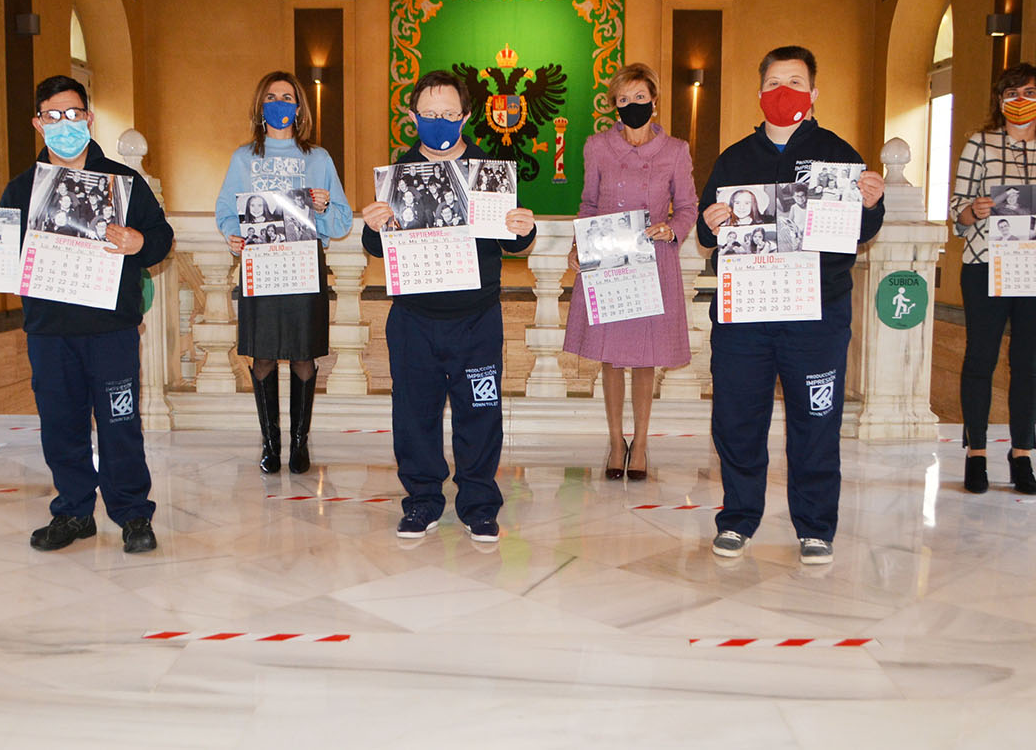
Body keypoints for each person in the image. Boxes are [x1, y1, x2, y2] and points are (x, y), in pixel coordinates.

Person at [0, 75, 172, 553]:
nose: (64, 124)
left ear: (89, 118)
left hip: (110, 329)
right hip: (49, 331)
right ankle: (73, 512)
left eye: (73, 114)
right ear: (38, 123)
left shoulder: (123, 182)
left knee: (120, 423)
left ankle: (132, 514)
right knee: (61, 425)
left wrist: (139, 242)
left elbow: (161, 237)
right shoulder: (21, 188)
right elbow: (0, 260)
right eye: (53, 115)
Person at [696, 45, 885, 565]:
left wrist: (871, 204)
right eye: (776, 82)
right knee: (736, 419)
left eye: (797, 82)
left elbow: (859, 233)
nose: (786, 92)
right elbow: (704, 231)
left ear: (814, 92)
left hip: (817, 317)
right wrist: (709, 222)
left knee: (816, 420)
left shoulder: (840, 156)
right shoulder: (734, 158)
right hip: (746, 317)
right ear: (760, 93)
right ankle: (738, 518)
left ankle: (816, 526)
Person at [361, 69, 536, 543]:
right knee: (413, 414)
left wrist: (525, 228)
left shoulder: (489, 172)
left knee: (480, 411)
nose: (440, 122)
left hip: (477, 320)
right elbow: (377, 249)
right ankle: (421, 501)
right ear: (412, 116)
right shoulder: (397, 174)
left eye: (449, 114)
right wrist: (374, 223)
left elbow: (515, 242)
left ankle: (479, 504)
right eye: (430, 114)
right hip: (414, 321)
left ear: (466, 117)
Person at [950, 62, 1036, 496]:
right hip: (985, 262)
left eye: (1030, 92)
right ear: (1000, 99)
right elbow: (957, 210)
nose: (1021, 100)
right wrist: (973, 211)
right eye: (1012, 93)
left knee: (1028, 361)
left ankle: (1022, 453)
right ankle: (976, 452)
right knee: (980, 358)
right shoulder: (979, 143)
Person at [215, 71, 352, 475]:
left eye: (287, 96)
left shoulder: (318, 158)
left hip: (305, 266)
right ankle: (270, 444)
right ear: (261, 106)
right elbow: (226, 211)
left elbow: (341, 222)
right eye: (271, 97)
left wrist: (325, 207)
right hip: (261, 267)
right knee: (262, 357)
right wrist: (231, 235)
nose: (280, 104)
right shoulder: (244, 158)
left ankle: (299, 444)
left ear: (299, 106)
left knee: (303, 356)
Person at [563, 63, 695, 481]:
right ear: (614, 106)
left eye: (640, 98)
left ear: (654, 101)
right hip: (607, 260)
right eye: (624, 100)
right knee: (611, 358)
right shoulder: (597, 146)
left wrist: (671, 229)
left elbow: (688, 207)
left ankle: (640, 442)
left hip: (653, 259)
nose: (632, 106)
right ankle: (615, 440)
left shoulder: (675, 151)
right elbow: (588, 203)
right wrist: (576, 243)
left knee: (644, 360)